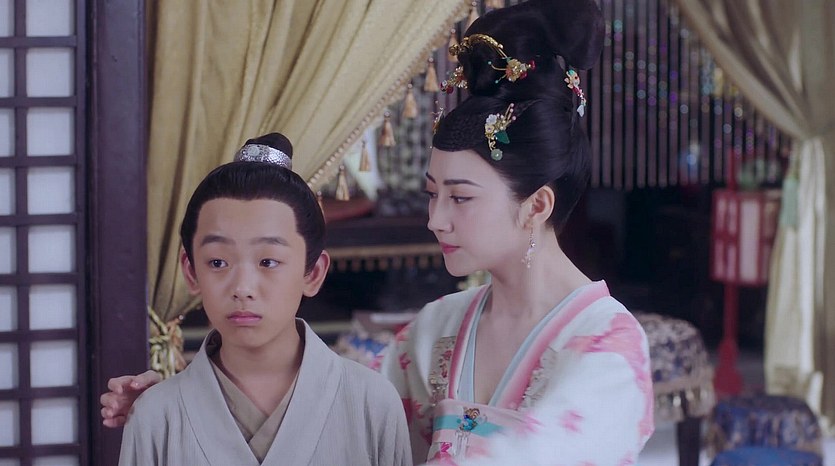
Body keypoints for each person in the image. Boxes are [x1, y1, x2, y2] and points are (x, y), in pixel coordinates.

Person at [104, 0, 654, 463]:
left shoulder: (608, 347)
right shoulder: (439, 327)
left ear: (536, 205)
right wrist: (190, 402)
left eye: (460, 197)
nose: (436, 219)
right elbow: (331, 412)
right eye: (432, 194)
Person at [113, 133, 411, 465]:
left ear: (313, 273)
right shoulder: (156, 415)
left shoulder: (372, 403)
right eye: (218, 262)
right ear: (191, 271)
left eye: (268, 262)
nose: (243, 287)